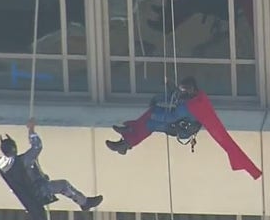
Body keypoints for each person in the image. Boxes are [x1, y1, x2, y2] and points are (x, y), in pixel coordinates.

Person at [105, 77, 262, 180]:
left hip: (180, 128)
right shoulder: (196, 97)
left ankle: (126, 141)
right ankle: (126, 139)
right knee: (150, 120)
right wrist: (158, 100)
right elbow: (174, 97)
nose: (180, 93)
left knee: (150, 122)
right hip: (180, 123)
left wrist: (155, 113)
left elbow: (171, 116)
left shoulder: (191, 106)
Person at [0, 118, 103, 220]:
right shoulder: (23, 160)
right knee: (64, 185)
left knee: (54, 182)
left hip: (28, 194)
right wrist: (31, 130)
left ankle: (84, 202)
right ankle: (84, 203)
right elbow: (37, 146)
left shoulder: (0, 165)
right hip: (38, 190)